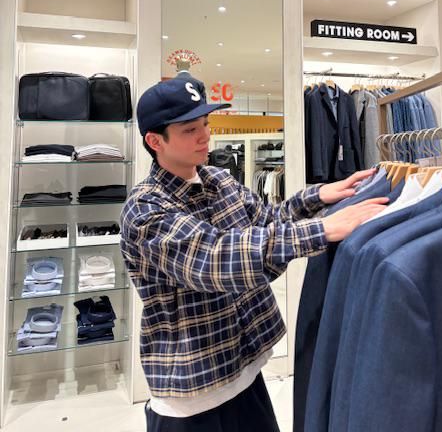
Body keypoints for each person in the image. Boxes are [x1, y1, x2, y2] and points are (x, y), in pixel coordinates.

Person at [120, 77, 388, 432]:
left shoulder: (218, 180)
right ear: (155, 141)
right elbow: (216, 258)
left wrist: (318, 196)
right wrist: (321, 230)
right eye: (189, 130)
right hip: (192, 391)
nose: (205, 136)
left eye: (205, 124)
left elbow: (265, 220)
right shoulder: (145, 209)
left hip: (246, 370)